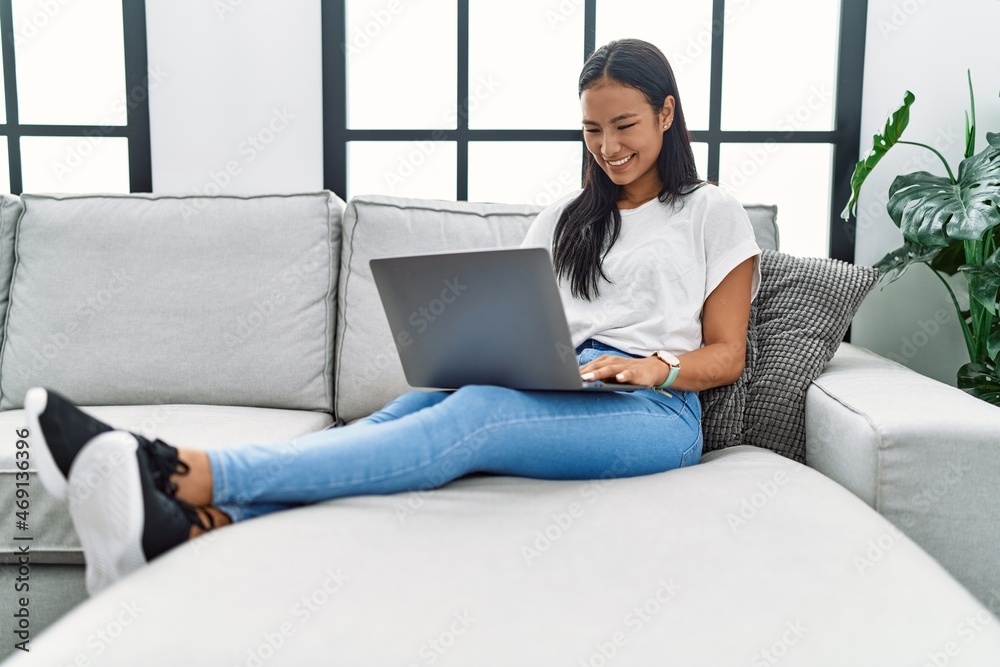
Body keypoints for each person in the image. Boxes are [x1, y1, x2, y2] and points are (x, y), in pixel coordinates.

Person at [28, 38, 760, 596]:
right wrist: (496, 348)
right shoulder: (566, 216)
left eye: (624, 125)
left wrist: (655, 366)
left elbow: (728, 354)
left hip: (654, 410)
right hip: (565, 378)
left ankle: (181, 470)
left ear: (668, 113)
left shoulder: (710, 212)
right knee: (401, 411)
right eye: (591, 130)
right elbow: (522, 307)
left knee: (473, 415)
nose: (607, 147)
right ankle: (188, 529)